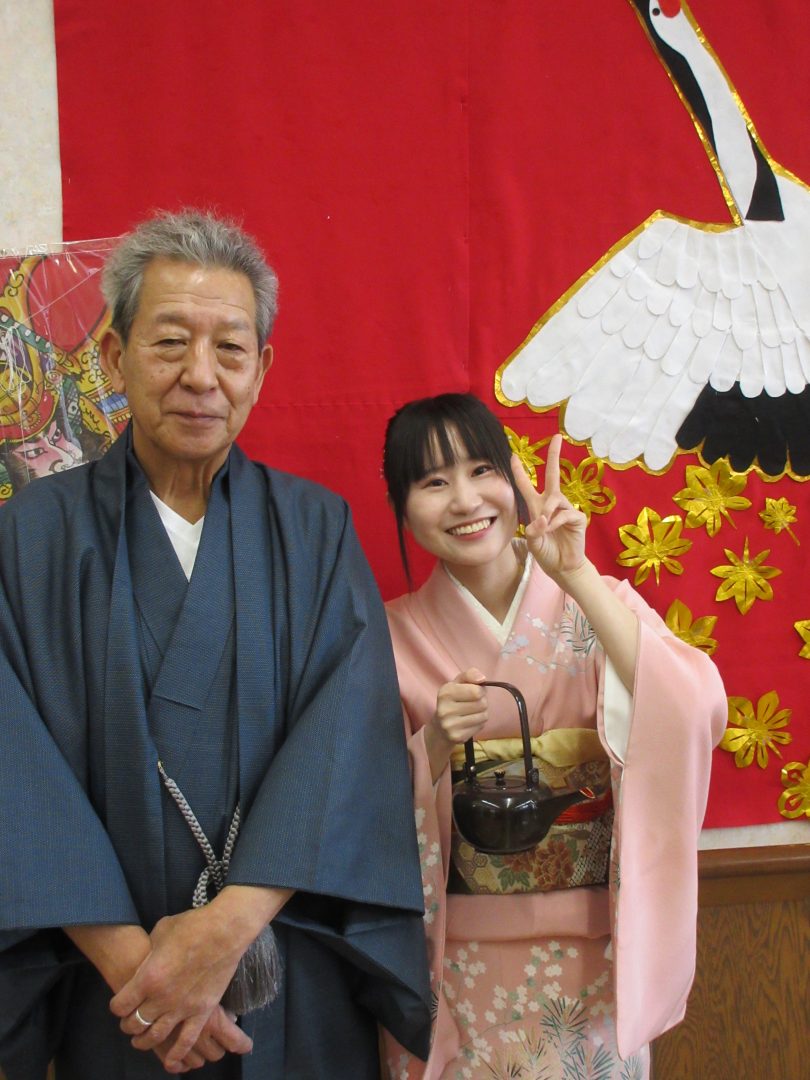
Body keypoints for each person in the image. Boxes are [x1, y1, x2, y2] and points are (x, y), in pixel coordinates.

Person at [0, 209, 431, 1080]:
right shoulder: (32, 535)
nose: (201, 375)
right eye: (169, 343)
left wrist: (225, 931)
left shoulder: (314, 528)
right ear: (113, 357)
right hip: (113, 991)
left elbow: (349, 745)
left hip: (284, 969)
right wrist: (146, 975)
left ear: (261, 369)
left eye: (230, 349)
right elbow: (16, 767)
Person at [380, 393, 727, 1079]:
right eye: (434, 482)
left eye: (482, 470)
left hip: (594, 957)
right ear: (402, 506)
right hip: (456, 966)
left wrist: (576, 575)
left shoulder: (597, 603)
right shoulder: (385, 635)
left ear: (514, 479)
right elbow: (350, 809)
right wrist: (435, 747)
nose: (465, 500)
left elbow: (694, 712)